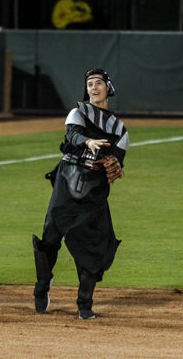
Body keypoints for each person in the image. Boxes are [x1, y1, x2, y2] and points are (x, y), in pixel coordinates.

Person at [32, 68, 129, 319]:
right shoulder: (79, 111)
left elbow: (118, 160)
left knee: (94, 245)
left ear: (108, 87)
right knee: (50, 236)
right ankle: (42, 287)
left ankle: (84, 303)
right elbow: (72, 135)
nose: (93, 88)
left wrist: (116, 166)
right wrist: (88, 142)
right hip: (68, 181)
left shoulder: (120, 130)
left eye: (98, 83)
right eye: (89, 84)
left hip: (95, 191)